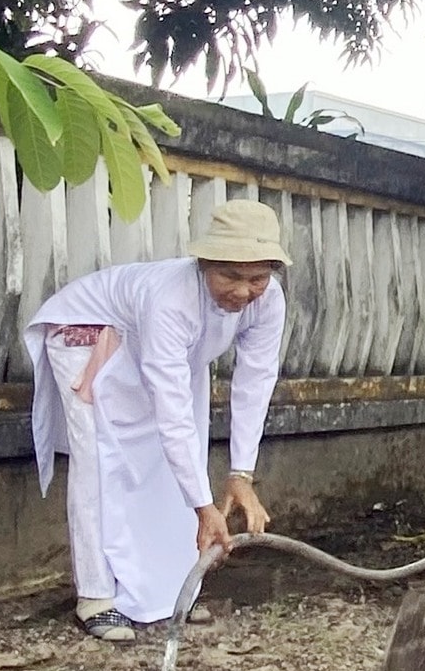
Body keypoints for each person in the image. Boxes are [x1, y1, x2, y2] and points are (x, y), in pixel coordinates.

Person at [24, 199, 290, 642]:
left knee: (175, 467)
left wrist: (241, 473)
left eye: (257, 278)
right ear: (205, 264)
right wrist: (205, 509)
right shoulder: (171, 298)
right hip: (90, 335)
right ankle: (96, 596)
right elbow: (171, 406)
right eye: (230, 276)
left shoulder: (269, 301)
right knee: (98, 459)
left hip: (168, 351)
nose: (243, 291)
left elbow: (255, 380)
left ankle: (165, 593)